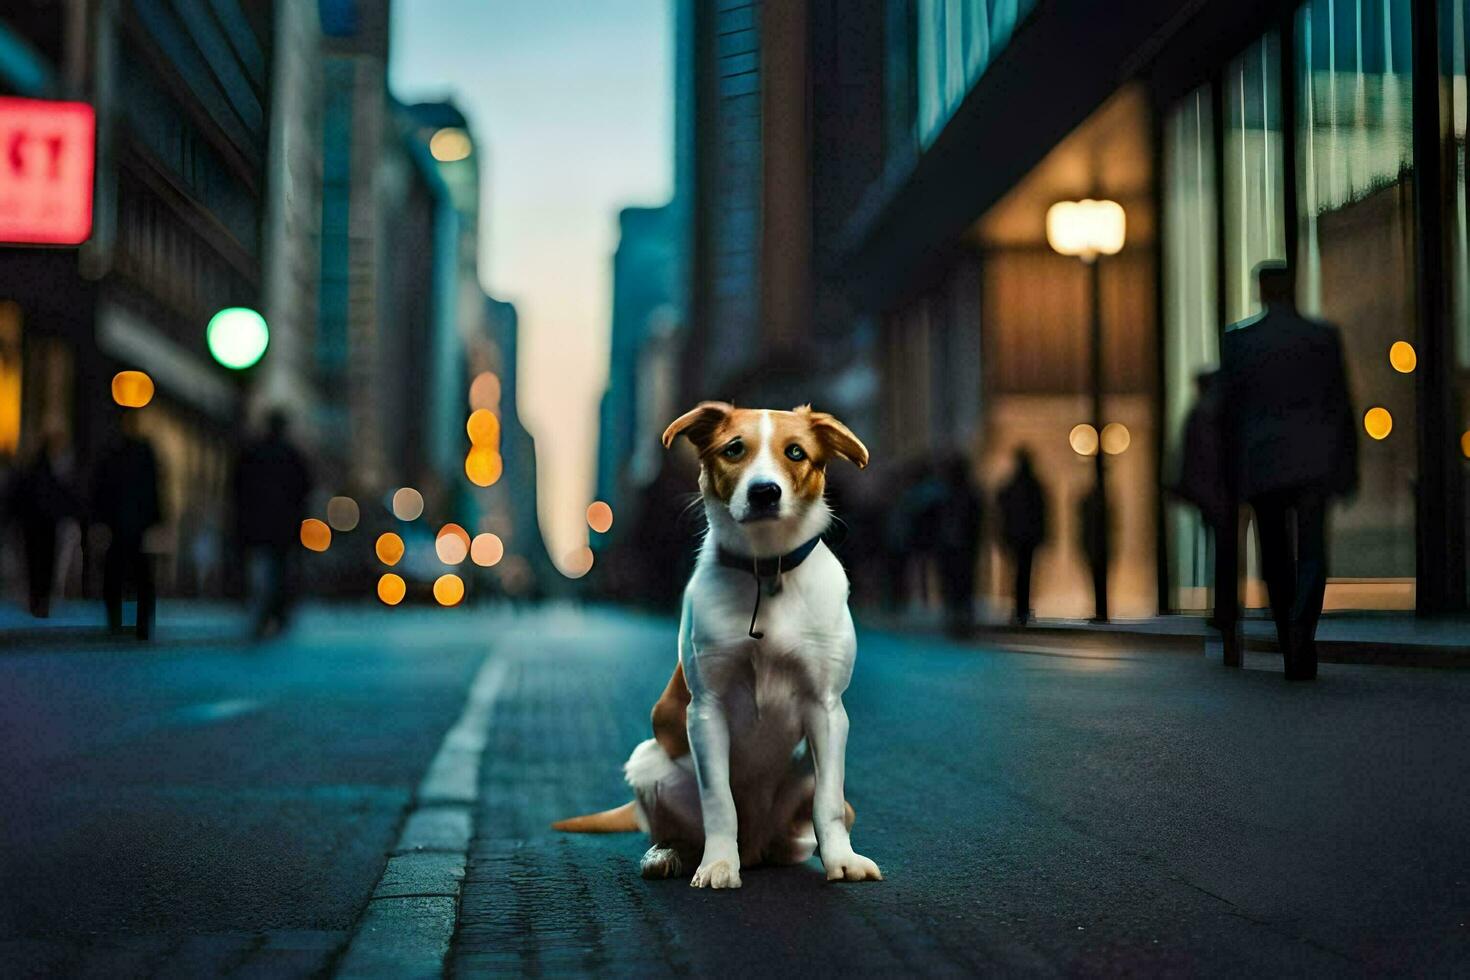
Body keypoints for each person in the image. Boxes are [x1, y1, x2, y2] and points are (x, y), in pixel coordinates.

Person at [1220, 262, 1358, 680]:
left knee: (1276, 554)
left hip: (1263, 464)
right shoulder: (1321, 337)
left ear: (1260, 291)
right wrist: (1347, 463)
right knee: (1313, 550)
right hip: (1315, 460)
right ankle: (1302, 625)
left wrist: (1230, 473)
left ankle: (1287, 634)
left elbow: (1230, 413)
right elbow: (1340, 405)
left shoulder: (1240, 342)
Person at [234, 409, 311, 638]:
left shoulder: (254, 453)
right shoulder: (292, 455)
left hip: (260, 525)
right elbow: (304, 491)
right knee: (279, 570)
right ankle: (275, 612)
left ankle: (264, 610)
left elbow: (238, 488)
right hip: (282, 527)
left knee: (261, 569)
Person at [1173, 370, 1235, 635]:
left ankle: (1224, 611)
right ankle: (1226, 610)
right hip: (1221, 493)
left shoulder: (1202, 414)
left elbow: (1194, 460)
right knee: (1225, 555)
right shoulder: (1219, 414)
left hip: (1213, 494)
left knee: (1222, 555)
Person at [92, 408, 162, 640]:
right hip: (129, 525)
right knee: (134, 575)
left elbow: (101, 489)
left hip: (125, 525)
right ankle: (136, 622)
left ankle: (123, 621)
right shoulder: (135, 453)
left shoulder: (116, 452)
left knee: (123, 574)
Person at [14, 434, 80, 617]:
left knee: (35, 566)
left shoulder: (32, 473)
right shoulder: (52, 474)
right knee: (46, 565)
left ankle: (37, 600)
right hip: (46, 527)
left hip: (34, 528)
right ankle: (42, 601)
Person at [934, 453, 983, 635]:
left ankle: (960, 619)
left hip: (961, 546)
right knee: (958, 583)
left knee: (960, 583)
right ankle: (958, 619)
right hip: (954, 546)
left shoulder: (953, 495)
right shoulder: (949, 495)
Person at [998, 448, 1046, 625]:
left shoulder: (1014, 486)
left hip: (1019, 537)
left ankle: (1020, 607)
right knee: (1024, 574)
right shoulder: (1033, 486)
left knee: (1019, 574)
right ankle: (1022, 607)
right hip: (1024, 537)